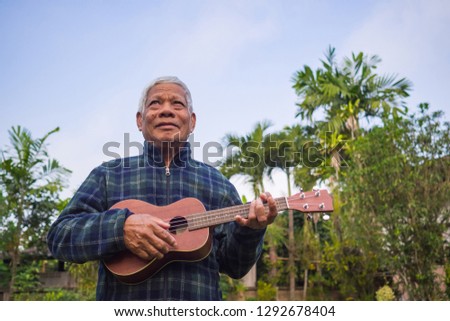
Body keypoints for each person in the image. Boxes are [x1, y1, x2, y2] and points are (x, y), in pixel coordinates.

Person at [47, 76, 278, 300]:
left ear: (192, 121)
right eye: (155, 103)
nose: (166, 110)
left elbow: (235, 266)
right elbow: (60, 237)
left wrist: (251, 230)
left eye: (177, 104)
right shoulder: (108, 175)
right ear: (140, 120)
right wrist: (120, 229)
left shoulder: (219, 185)